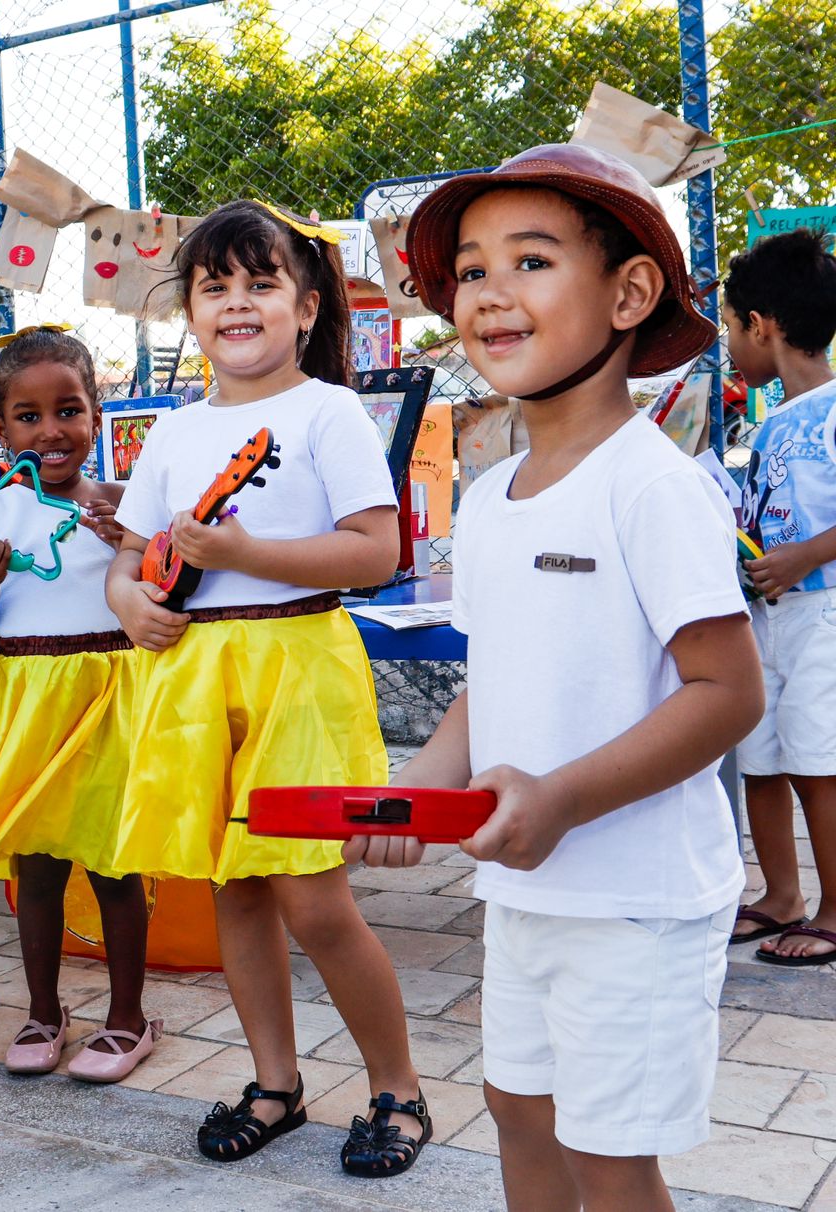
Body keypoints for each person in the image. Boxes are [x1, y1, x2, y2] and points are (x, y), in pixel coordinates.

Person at [362, 143, 762, 1210]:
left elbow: (728, 695)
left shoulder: (653, 488)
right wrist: (424, 790)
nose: (490, 295)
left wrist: (561, 798)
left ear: (629, 293)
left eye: (530, 261)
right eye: (473, 271)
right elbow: (492, 682)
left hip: (636, 898)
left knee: (609, 1156)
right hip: (526, 884)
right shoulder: (490, 501)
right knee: (516, 1110)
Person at [105, 200, 425, 1175]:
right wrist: (128, 606)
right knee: (234, 893)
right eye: (215, 287)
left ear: (304, 302)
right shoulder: (172, 432)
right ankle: (275, 1084)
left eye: (260, 282)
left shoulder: (327, 411)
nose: (237, 303)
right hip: (196, 675)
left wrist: (248, 552)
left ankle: (398, 1089)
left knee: (315, 900)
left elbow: (375, 552)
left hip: (298, 663)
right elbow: (128, 559)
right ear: (190, 313)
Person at [0, 326, 157, 1083]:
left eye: (69, 409)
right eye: (27, 416)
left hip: (108, 702)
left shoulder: (128, 508)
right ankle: (43, 1009)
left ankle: (128, 1016)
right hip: (25, 704)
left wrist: (138, 548)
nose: (51, 430)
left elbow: (170, 599)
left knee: (113, 865)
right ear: (0, 429)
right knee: (35, 867)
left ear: (98, 414)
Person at [725, 227, 836, 965]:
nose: (730, 343)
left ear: (762, 326)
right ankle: (780, 896)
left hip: (823, 614)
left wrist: (805, 557)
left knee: (817, 759)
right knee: (759, 754)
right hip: (764, 618)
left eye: (732, 328)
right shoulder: (764, 424)